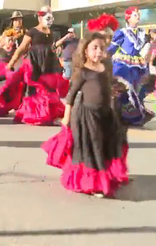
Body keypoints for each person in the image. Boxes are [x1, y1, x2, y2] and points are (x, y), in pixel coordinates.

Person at [42, 31, 128, 198]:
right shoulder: (83, 72)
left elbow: (106, 87)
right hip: (87, 115)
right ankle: (94, 183)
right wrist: (66, 118)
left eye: (101, 48)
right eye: (94, 48)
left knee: (107, 144)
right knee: (93, 147)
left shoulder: (105, 68)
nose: (98, 51)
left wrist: (114, 91)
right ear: (85, 51)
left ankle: (107, 176)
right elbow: (71, 95)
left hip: (104, 114)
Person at [0, 6, 68, 125]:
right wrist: (11, 63)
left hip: (48, 63)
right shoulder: (32, 31)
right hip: (35, 62)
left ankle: (47, 114)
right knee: (34, 88)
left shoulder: (51, 33)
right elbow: (21, 48)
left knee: (48, 88)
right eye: (47, 15)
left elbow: (52, 47)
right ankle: (34, 114)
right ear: (40, 17)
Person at [108, 7, 155, 127]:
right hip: (123, 62)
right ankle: (116, 115)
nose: (138, 17)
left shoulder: (142, 32)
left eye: (138, 15)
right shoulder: (122, 32)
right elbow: (112, 48)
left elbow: (143, 49)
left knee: (138, 88)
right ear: (128, 18)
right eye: (135, 15)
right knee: (123, 88)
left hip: (136, 63)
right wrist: (102, 56)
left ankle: (132, 116)